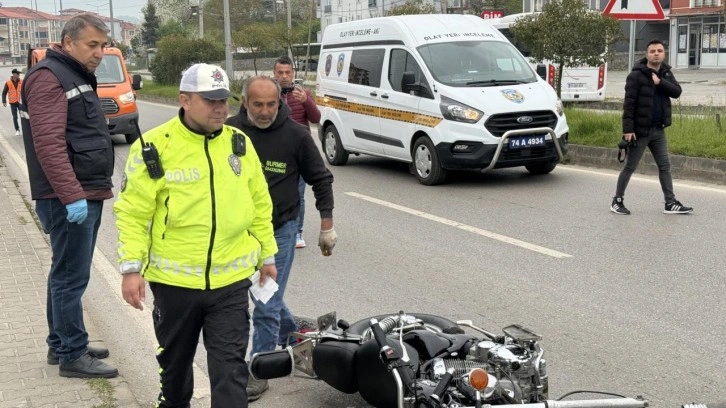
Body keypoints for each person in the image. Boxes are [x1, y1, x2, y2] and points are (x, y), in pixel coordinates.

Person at [115, 63, 279, 408]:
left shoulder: (239, 144)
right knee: (175, 376)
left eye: (224, 100)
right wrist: (131, 268)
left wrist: (267, 256)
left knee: (230, 373)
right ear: (185, 100)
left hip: (230, 285)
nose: (221, 108)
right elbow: (132, 213)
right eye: (210, 101)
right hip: (175, 286)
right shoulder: (156, 147)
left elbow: (259, 204)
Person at [18, 14, 117, 378]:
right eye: (92, 45)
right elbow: (48, 143)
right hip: (68, 196)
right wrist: (72, 195)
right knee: (70, 277)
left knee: (66, 273)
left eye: (103, 45)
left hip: (82, 190)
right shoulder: (49, 77)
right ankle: (73, 354)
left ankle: (61, 344)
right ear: (68, 41)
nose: (99, 53)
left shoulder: (69, 73)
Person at [226, 75, 336, 401]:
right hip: (238, 235)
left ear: (280, 102)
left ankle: (258, 370)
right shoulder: (230, 132)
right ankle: (295, 331)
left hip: (279, 233)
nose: (264, 111)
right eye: (257, 104)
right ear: (245, 102)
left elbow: (321, 178)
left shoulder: (296, 135)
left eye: (271, 104)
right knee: (266, 296)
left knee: (264, 302)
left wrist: (326, 226)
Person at [610, 39, 693, 215]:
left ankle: (670, 203)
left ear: (664, 54)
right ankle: (617, 200)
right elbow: (629, 104)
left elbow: (677, 92)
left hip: (658, 130)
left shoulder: (666, 73)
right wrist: (628, 130)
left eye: (660, 51)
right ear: (646, 54)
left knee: (665, 166)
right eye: (653, 51)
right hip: (640, 131)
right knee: (630, 167)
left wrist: (660, 82)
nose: (656, 53)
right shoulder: (636, 76)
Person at [272, 55, 321, 249]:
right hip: (276, 151)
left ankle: (297, 232)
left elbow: (316, 118)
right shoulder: (269, 94)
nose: (284, 76)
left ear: (293, 74)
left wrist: (306, 101)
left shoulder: (303, 93)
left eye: (288, 72)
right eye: (280, 73)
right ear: (274, 74)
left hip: (300, 152)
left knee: (298, 194)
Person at [3, 68, 23, 136]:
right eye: (18, 74)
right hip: (13, 103)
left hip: (20, 102)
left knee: (23, 116)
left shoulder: (21, 81)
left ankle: (25, 129)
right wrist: (4, 101)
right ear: (14, 74)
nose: (19, 75)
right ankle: (17, 130)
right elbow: (4, 92)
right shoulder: (8, 83)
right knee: (15, 117)